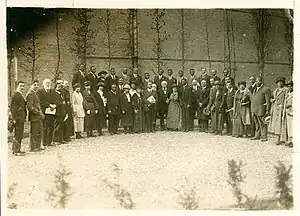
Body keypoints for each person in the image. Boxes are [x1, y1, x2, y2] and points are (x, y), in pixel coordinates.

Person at [268, 77, 288, 145]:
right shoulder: (276, 90)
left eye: (281, 82)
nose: (280, 83)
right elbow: (273, 97)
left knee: (281, 123)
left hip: (281, 108)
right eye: (278, 82)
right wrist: (272, 100)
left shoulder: (285, 90)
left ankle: (283, 139)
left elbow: (286, 99)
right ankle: (278, 138)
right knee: (276, 124)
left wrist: (283, 107)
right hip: (275, 108)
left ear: (283, 82)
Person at [250, 77, 271, 142]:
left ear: (261, 82)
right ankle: (257, 135)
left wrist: (267, 109)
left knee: (262, 123)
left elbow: (268, 101)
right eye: (256, 81)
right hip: (255, 109)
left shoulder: (266, 89)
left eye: (258, 81)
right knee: (256, 123)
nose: (257, 82)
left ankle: (264, 136)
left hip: (261, 109)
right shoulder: (255, 89)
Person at [26, 80, 45, 152]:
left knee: (39, 131)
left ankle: (37, 146)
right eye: (34, 85)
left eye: (37, 85)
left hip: (38, 116)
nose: (36, 86)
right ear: (31, 85)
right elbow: (30, 107)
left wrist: (40, 113)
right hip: (34, 116)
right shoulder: (30, 94)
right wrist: (38, 113)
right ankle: (33, 147)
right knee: (34, 132)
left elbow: (37, 105)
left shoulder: (34, 93)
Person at [37, 79, 56, 147]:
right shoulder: (40, 92)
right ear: (43, 84)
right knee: (45, 127)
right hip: (44, 112)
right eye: (46, 83)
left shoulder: (52, 91)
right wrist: (49, 105)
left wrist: (54, 105)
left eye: (49, 83)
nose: (48, 84)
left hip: (52, 111)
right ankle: (45, 142)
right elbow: (41, 101)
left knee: (51, 126)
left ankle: (50, 141)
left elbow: (55, 99)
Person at [10, 81, 27, 155]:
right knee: (18, 134)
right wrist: (14, 119)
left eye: (23, 86)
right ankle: (16, 150)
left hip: (20, 118)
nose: (22, 87)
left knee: (19, 134)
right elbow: (13, 108)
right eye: (21, 86)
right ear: (17, 86)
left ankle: (16, 149)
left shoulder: (19, 95)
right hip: (17, 119)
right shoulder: (16, 95)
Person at [53, 80, 67, 144]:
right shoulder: (54, 94)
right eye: (58, 86)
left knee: (61, 126)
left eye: (60, 87)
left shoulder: (62, 94)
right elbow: (55, 103)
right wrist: (61, 103)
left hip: (62, 112)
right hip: (57, 112)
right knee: (57, 126)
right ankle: (55, 140)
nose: (59, 88)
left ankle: (61, 139)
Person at [280, 81, 293, 147]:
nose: (290, 87)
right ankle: (288, 140)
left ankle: (292, 141)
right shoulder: (287, 94)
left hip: (292, 112)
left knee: (292, 127)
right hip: (286, 112)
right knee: (287, 127)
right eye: (288, 86)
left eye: (291, 86)